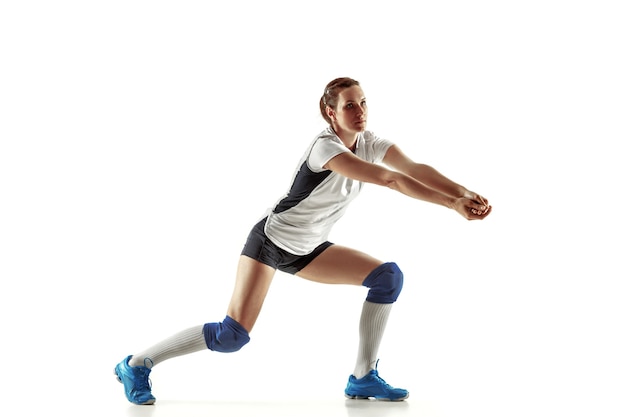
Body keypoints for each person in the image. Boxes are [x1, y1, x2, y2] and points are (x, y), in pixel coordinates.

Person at [114, 77, 492, 405]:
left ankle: (362, 377)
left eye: (363, 103)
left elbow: (412, 168)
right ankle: (136, 364)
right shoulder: (326, 148)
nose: (359, 111)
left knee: (387, 277)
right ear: (331, 113)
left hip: (309, 248)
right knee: (232, 336)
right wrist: (450, 204)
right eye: (349, 106)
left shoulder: (369, 141)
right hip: (270, 241)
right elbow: (390, 180)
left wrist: (464, 192)